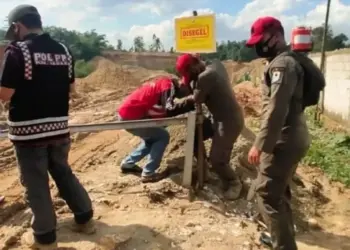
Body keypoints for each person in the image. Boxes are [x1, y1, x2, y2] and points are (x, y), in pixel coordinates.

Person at [0, 5, 95, 248]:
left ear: (17, 26)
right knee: (63, 172)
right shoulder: (64, 50)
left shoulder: (17, 51)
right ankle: (85, 218)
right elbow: (72, 90)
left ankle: (45, 237)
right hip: (59, 128)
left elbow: (5, 94)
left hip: (28, 133)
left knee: (36, 182)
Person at [245, 16, 311, 250]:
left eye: (261, 41)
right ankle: (279, 238)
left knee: (267, 194)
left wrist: (259, 144)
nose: (258, 47)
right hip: (291, 135)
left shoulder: (282, 65)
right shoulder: (281, 61)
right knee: (278, 190)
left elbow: (276, 110)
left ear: (276, 36)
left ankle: (283, 246)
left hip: (284, 138)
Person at [175, 53, 244, 200]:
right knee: (194, 133)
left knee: (217, 159)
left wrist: (177, 102)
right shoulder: (216, 64)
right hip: (218, 117)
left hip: (228, 121)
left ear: (194, 68)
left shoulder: (205, 77)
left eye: (188, 75)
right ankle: (203, 167)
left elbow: (196, 99)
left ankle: (234, 182)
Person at [117, 76, 195, 183]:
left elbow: (159, 110)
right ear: (182, 85)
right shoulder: (168, 86)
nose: (186, 94)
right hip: (131, 116)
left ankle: (128, 163)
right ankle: (148, 173)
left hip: (127, 114)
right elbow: (169, 109)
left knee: (153, 138)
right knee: (163, 136)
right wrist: (188, 103)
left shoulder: (163, 84)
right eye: (188, 91)